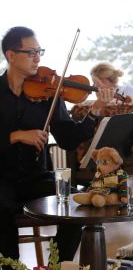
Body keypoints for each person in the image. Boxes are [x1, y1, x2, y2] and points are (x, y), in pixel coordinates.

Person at [0, 26, 114, 261]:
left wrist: (95, 110)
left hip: (35, 178)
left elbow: (68, 139)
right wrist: (16, 135)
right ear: (10, 55)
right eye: (31, 52)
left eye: (39, 51)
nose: (38, 58)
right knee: (1, 209)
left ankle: (57, 265)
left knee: (78, 206)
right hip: (1, 178)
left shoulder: (49, 93)